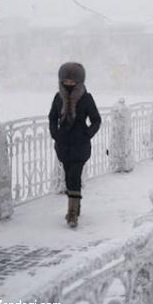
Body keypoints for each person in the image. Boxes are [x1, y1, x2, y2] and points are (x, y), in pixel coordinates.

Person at [48, 62, 101, 228]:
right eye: (66, 80)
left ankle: (72, 214)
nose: (69, 83)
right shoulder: (58, 97)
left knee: (74, 177)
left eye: (72, 80)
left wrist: (86, 134)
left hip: (80, 145)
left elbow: (96, 120)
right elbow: (52, 117)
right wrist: (55, 134)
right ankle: (76, 207)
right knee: (68, 177)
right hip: (63, 145)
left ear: (79, 81)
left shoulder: (86, 98)